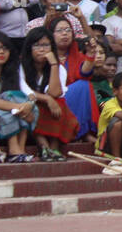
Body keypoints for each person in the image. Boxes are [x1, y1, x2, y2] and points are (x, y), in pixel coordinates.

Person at [17, 26, 80, 159]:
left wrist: (53, 65)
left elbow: (55, 93)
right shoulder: (20, 65)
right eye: (37, 45)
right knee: (35, 105)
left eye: (46, 45)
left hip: (49, 110)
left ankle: (53, 147)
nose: (42, 49)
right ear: (29, 48)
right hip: (26, 106)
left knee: (59, 102)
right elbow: (25, 91)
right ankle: (44, 146)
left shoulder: (59, 68)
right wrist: (47, 99)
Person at [0, 31, 36, 162]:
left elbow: (28, 92)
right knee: (10, 98)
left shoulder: (13, 71)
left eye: (5, 48)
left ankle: (20, 149)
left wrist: (28, 105)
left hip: (14, 116)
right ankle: (14, 148)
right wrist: (18, 106)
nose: (1, 52)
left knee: (22, 101)